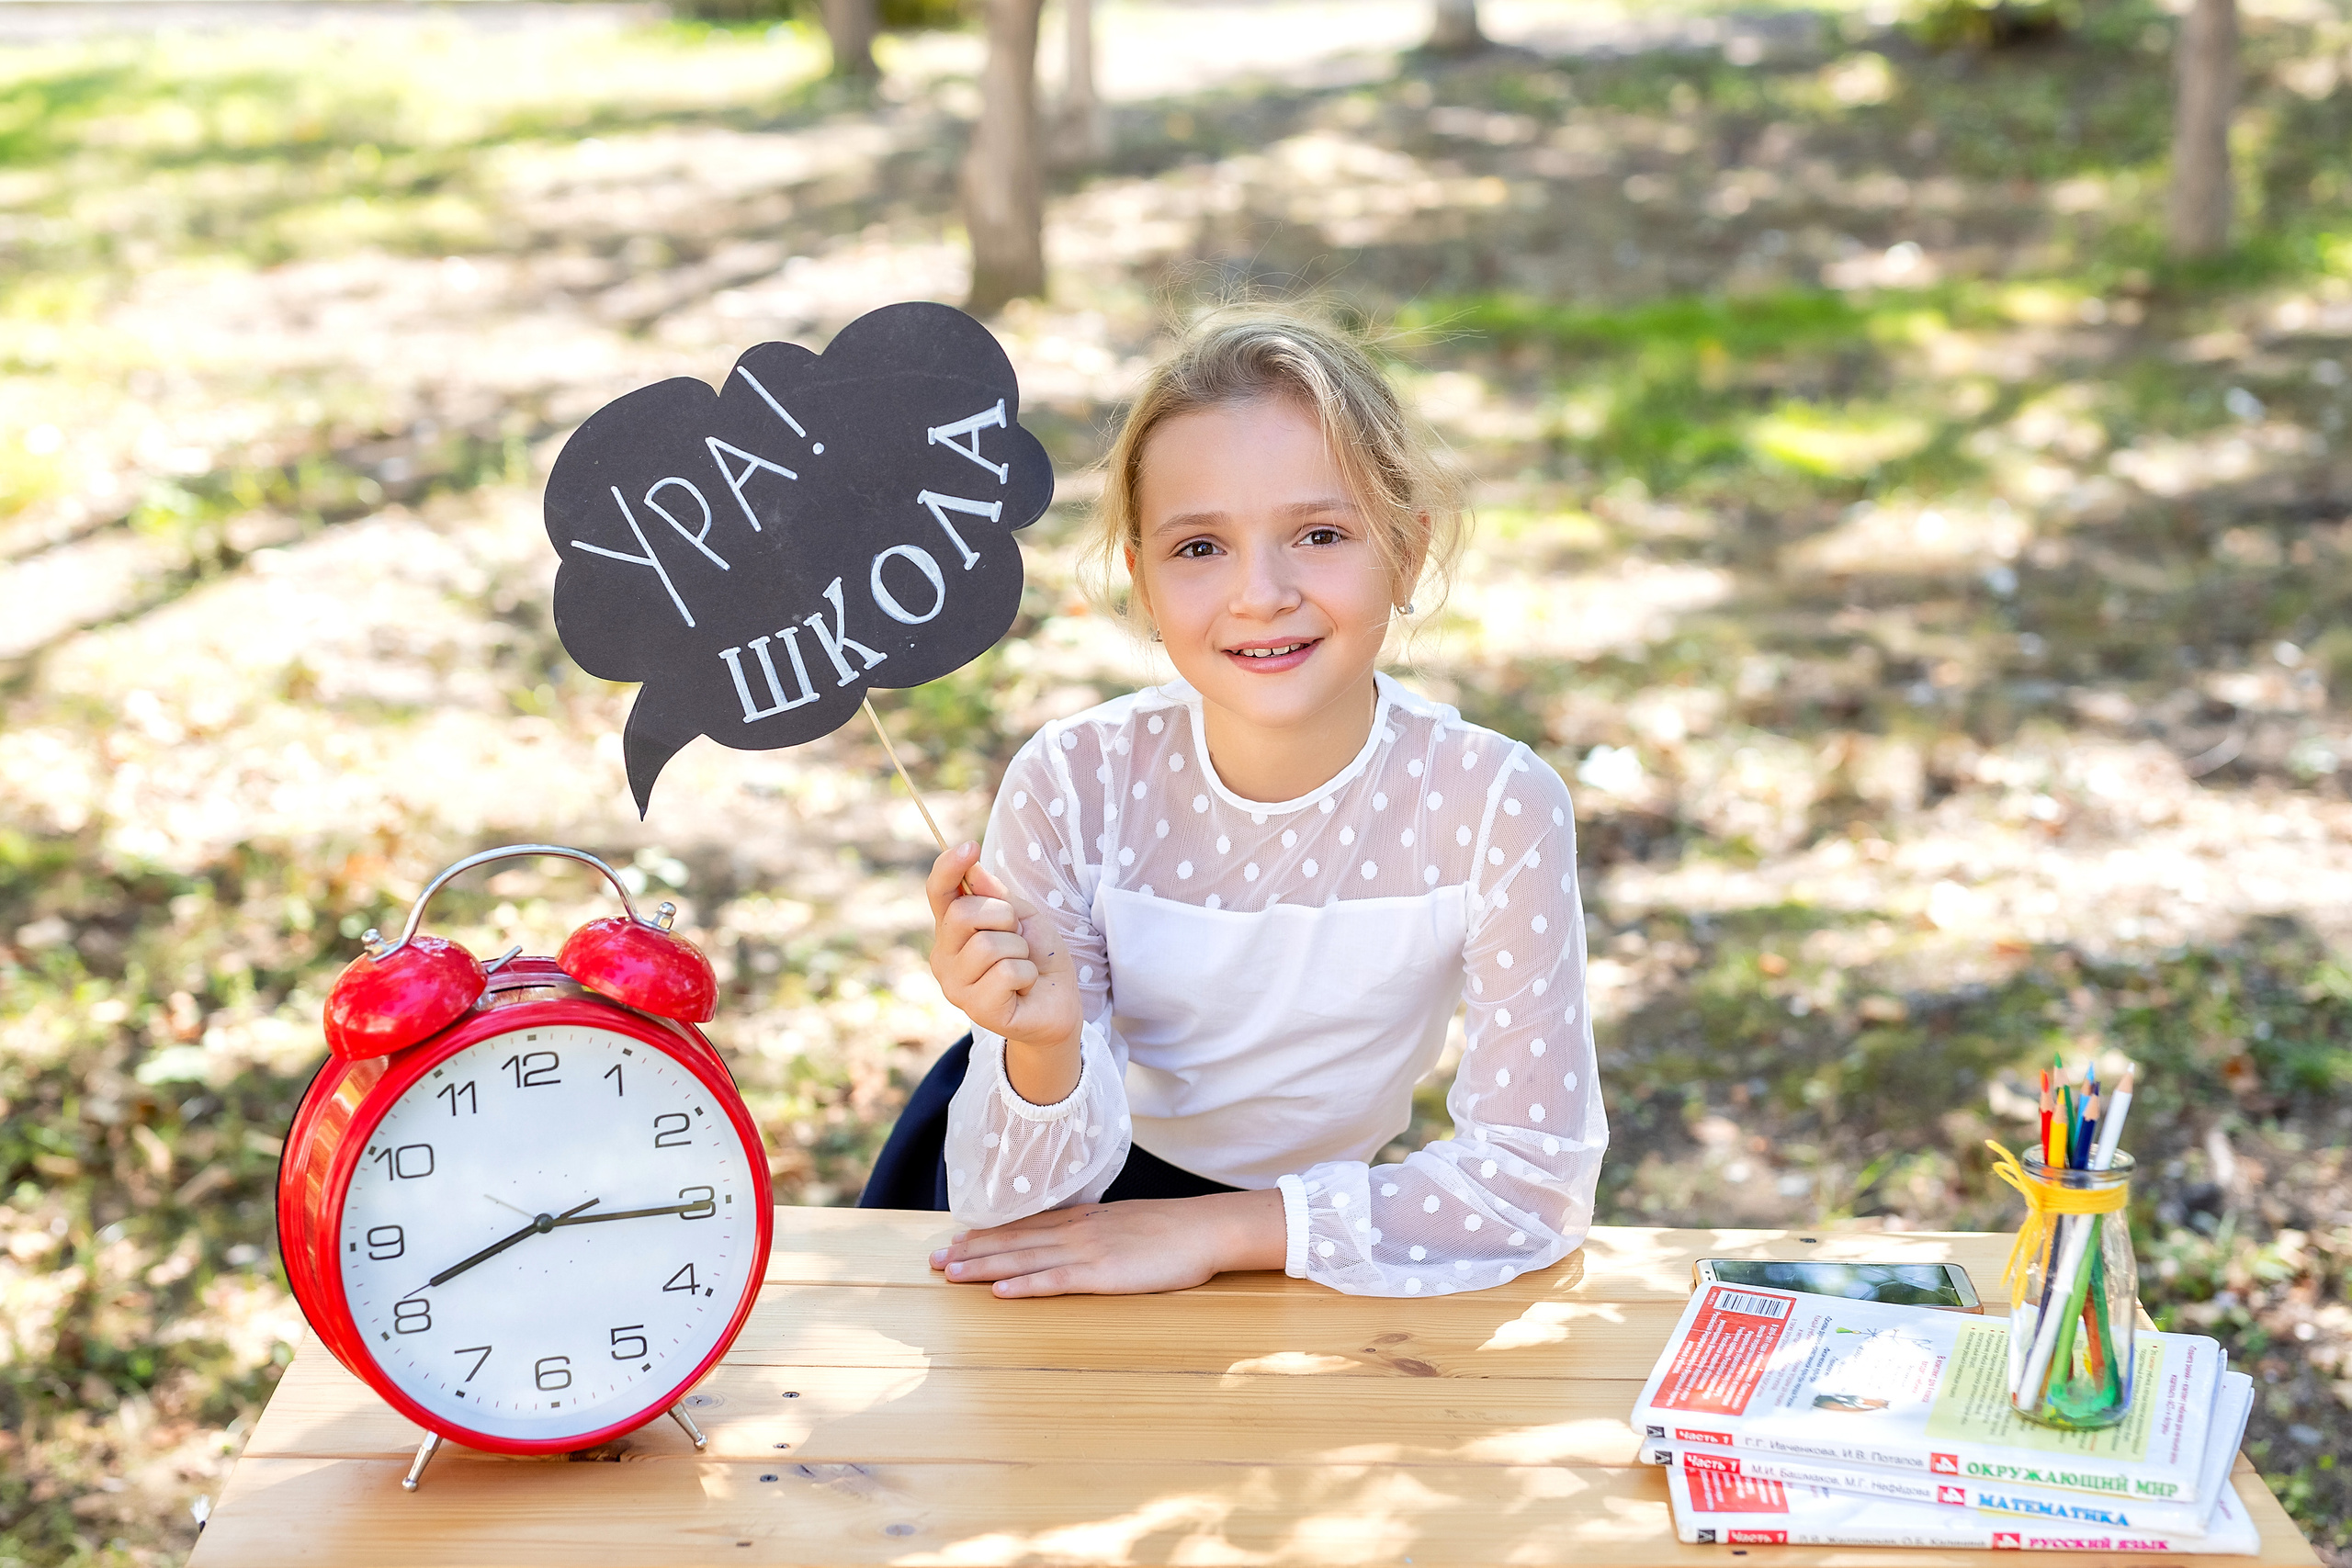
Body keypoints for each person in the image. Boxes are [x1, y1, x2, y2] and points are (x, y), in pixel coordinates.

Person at [858, 306, 1607, 1298]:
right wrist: (1040, 1043)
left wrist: (1214, 1231)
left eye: (1321, 533)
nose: (1261, 593)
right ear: (1142, 582)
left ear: (1408, 551)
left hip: (1310, 1231)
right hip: (1059, 1193)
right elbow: (1015, 1207)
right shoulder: (1078, 782)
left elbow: (1530, 1181)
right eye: (1199, 548)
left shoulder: (1488, 803)